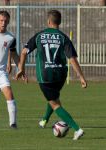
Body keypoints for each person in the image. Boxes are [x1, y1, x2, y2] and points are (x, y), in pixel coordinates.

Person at [16, 10, 87, 140]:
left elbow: (24, 52)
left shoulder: (39, 36)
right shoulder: (63, 37)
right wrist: (81, 76)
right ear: (60, 22)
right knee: (54, 97)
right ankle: (44, 120)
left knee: (55, 104)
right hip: (60, 75)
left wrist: (22, 68)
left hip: (45, 76)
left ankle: (77, 129)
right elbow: (72, 59)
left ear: (48, 21)